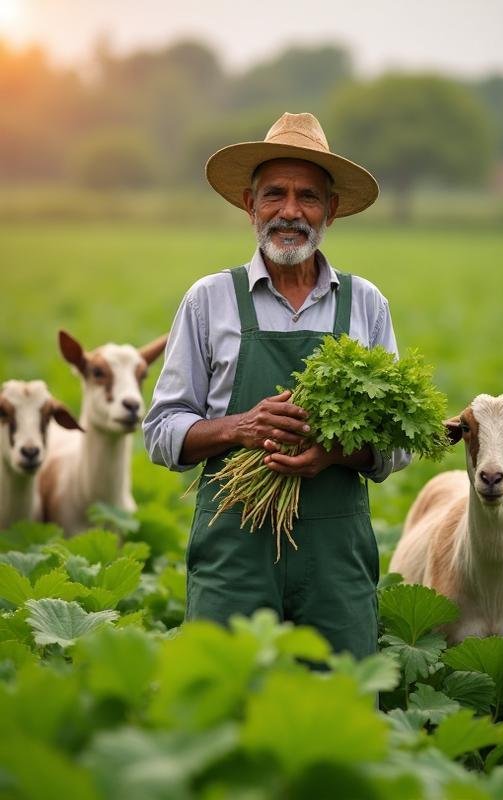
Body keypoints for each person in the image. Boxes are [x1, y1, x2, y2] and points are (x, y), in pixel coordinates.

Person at [143, 112, 410, 659]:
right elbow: (162, 432)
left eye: (309, 197)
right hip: (233, 553)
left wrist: (334, 452)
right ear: (250, 205)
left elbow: (399, 442)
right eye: (275, 195)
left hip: (335, 560)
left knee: (342, 709)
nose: (291, 212)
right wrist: (240, 427)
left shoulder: (365, 304)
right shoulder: (209, 300)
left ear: (331, 210)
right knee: (218, 705)